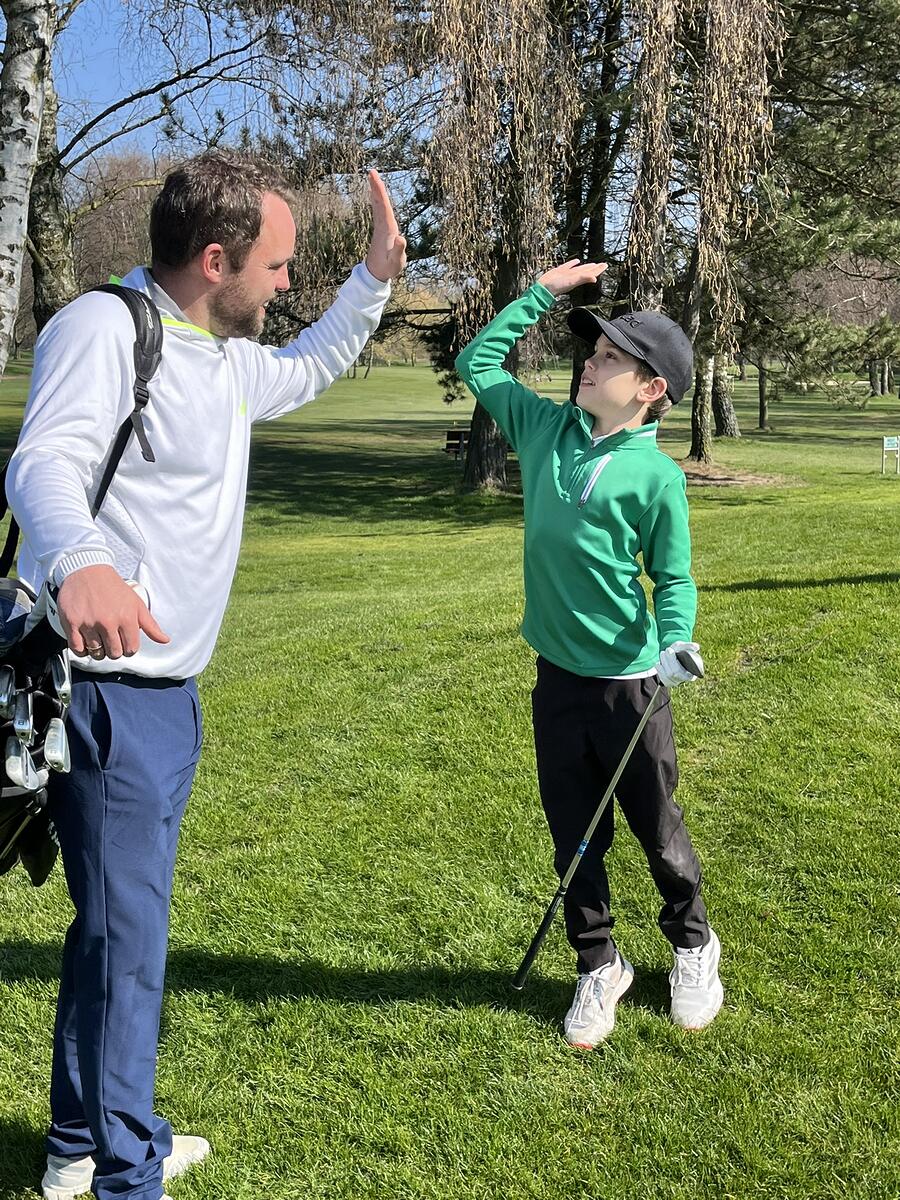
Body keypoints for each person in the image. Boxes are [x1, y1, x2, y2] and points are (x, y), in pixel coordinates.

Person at [6, 152, 406, 1200]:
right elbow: (44, 461)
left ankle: (76, 1143)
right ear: (216, 258)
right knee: (131, 947)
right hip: (105, 697)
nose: (287, 287)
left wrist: (374, 279)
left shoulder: (223, 358)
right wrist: (80, 561)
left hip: (166, 699)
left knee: (110, 933)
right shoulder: (104, 330)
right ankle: (125, 1176)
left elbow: (315, 365)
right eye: (277, 269)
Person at [455, 258, 723, 1048]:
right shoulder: (545, 428)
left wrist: (676, 639)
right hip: (557, 679)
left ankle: (693, 943)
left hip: (631, 687)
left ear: (650, 390)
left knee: (657, 828)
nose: (590, 362)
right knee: (574, 830)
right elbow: (478, 362)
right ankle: (598, 963)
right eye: (592, 351)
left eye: (609, 358)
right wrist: (542, 292)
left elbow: (671, 578)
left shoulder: (655, 477)